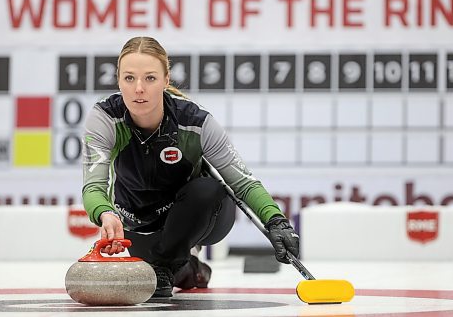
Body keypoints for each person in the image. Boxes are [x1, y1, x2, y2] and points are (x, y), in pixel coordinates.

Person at [81, 36, 299, 297]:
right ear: (118, 80)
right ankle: (186, 266)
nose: (139, 88)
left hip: (198, 214)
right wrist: (106, 214)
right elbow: (93, 186)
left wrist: (276, 221)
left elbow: (242, 181)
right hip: (139, 221)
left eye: (150, 78)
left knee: (208, 189)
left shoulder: (195, 121)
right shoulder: (104, 117)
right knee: (171, 273)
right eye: (129, 78)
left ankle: (169, 261)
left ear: (166, 80)